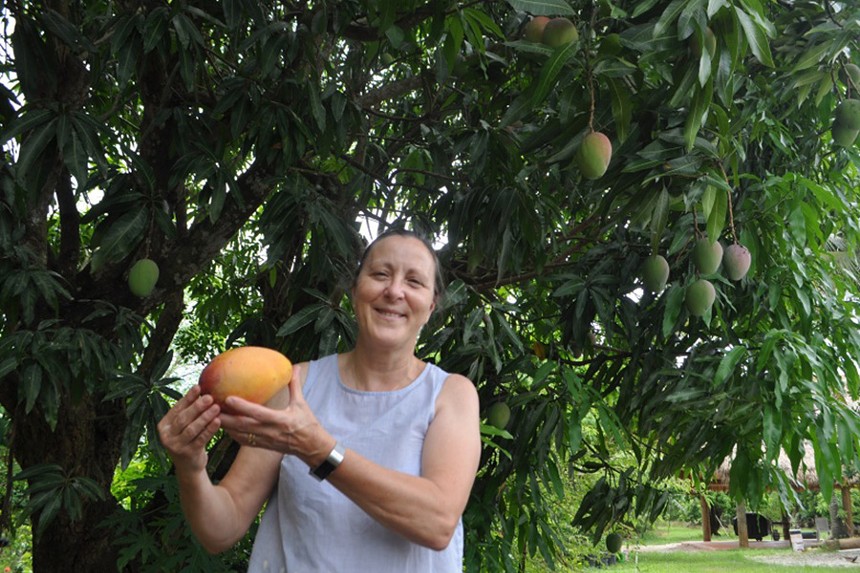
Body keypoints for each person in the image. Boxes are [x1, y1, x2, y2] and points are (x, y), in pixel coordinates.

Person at [157, 229, 482, 572]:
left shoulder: (450, 394)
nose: (394, 291)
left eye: (414, 282)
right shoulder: (295, 385)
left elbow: (437, 522)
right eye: (380, 274)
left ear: (430, 306)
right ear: (355, 290)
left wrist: (318, 449)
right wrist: (190, 467)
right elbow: (221, 529)